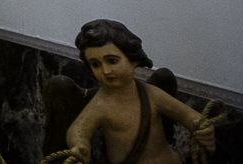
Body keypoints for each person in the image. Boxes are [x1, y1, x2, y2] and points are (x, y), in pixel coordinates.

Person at [56, 20, 215, 164]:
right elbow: (78, 129)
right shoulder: (101, 104)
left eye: (112, 61)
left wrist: (201, 126)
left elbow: (186, 114)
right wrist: (80, 147)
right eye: (96, 64)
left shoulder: (151, 94)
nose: (105, 70)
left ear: (133, 59)